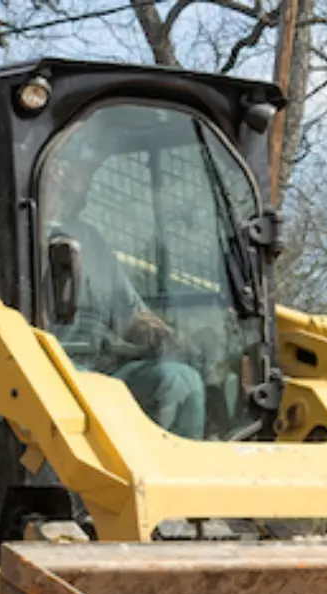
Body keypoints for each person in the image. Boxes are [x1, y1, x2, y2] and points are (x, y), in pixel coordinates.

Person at [43, 142, 207, 440]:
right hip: (41, 374)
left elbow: (130, 315)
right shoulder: (9, 234)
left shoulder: (90, 240)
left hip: (97, 370)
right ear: (53, 170)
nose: (87, 175)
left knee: (181, 381)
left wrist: (175, 343)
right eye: (81, 164)